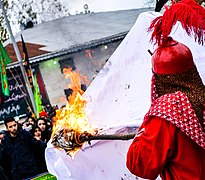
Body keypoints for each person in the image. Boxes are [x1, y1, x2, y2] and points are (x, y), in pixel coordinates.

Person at [126, 1, 205, 180]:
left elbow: (141, 166)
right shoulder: (202, 95)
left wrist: (145, 130)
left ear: (158, 78)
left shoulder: (168, 110)